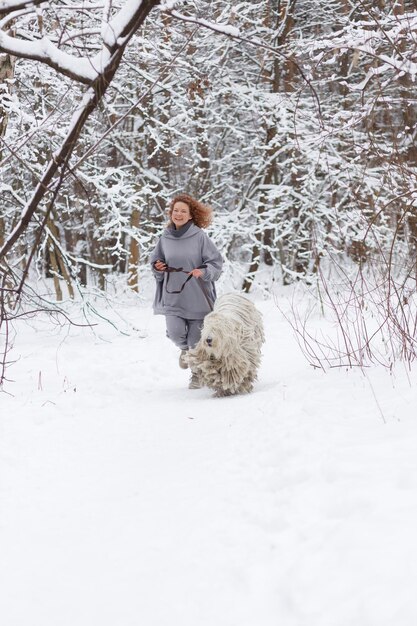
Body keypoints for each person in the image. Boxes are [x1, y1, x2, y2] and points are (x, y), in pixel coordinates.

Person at [150, 193, 223, 389]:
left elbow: (216, 263)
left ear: (191, 215)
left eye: (183, 211)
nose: (179, 214)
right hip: (173, 296)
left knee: (195, 341)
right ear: (171, 214)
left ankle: (196, 374)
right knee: (175, 333)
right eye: (176, 211)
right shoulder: (164, 238)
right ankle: (184, 351)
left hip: (198, 296)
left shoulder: (200, 236)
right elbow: (155, 262)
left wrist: (204, 271)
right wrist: (158, 267)